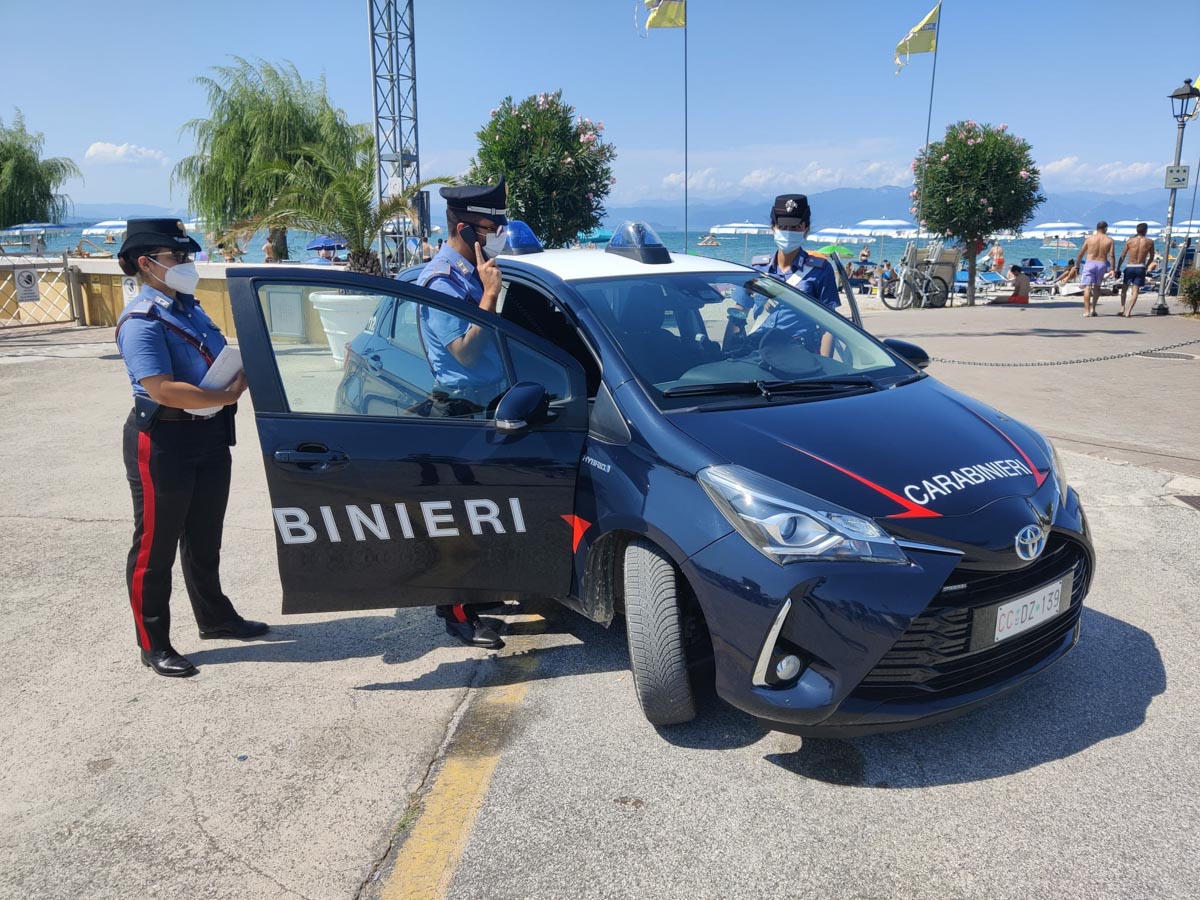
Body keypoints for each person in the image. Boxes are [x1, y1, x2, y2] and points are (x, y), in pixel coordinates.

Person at [114, 219, 268, 678]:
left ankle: (215, 617)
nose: (186, 263)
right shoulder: (142, 319)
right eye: (176, 256)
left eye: (188, 255)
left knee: (204, 536)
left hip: (208, 433)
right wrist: (226, 394)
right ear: (147, 264)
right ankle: (154, 642)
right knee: (155, 545)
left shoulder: (190, 309)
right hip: (164, 440)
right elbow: (161, 388)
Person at [405, 179, 511, 650]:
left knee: (482, 514)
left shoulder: (474, 270)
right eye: (491, 227)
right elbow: (464, 352)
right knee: (460, 519)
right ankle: (457, 615)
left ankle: (475, 594)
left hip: (488, 405)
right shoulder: (442, 280)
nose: (498, 235)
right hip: (460, 409)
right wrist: (488, 298)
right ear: (465, 228)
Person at [730, 193, 840, 356]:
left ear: (806, 229)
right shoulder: (758, 269)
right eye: (783, 227)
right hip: (758, 352)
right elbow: (738, 313)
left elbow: (829, 325)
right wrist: (728, 352)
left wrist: (826, 365)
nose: (789, 232)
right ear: (773, 228)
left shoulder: (820, 270)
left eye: (796, 227)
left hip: (800, 353)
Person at [1116, 222, 1156, 317]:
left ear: (1136, 230)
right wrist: (1146, 266)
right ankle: (1128, 311)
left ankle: (1122, 307)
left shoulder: (1130, 241)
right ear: (1146, 230)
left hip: (1130, 266)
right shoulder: (1150, 242)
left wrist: (1118, 268)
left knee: (1124, 289)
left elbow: (1123, 255)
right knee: (1135, 290)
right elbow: (1151, 257)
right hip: (1140, 267)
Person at [1076, 221, 1115, 317]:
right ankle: (1093, 309)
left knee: (1087, 287)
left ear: (1096, 228)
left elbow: (1081, 254)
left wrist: (1077, 265)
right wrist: (1112, 269)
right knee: (1097, 287)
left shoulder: (1089, 239)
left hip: (1090, 263)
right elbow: (1111, 256)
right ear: (1106, 228)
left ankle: (1086, 311)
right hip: (1101, 264)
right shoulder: (1109, 240)